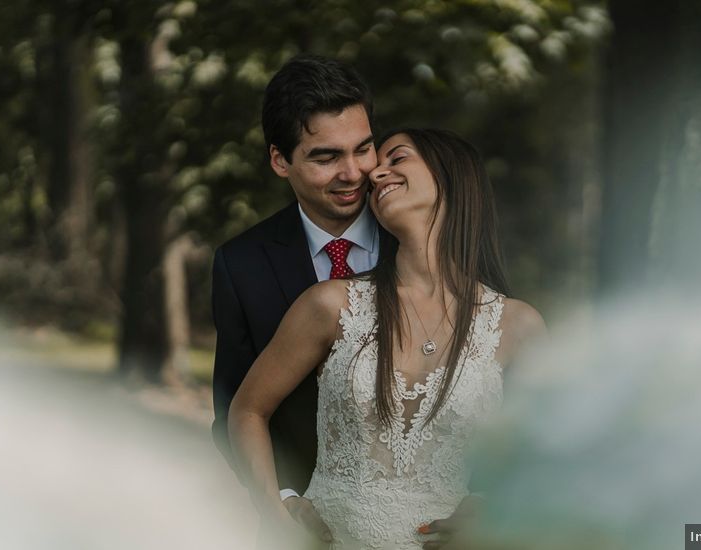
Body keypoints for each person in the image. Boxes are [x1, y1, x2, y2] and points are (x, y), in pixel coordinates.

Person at [229, 128, 546, 549]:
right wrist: (275, 511)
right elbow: (248, 410)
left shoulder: (518, 325)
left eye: (396, 159)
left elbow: (551, 456)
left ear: (452, 176)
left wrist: (494, 509)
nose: (376, 175)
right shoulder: (330, 305)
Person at [210, 53, 380, 535]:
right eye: (326, 157)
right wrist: (281, 501)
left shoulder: (429, 240)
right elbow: (233, 409)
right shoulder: (240, 264)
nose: (353, 173)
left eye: (363, 149)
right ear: (280, 160)